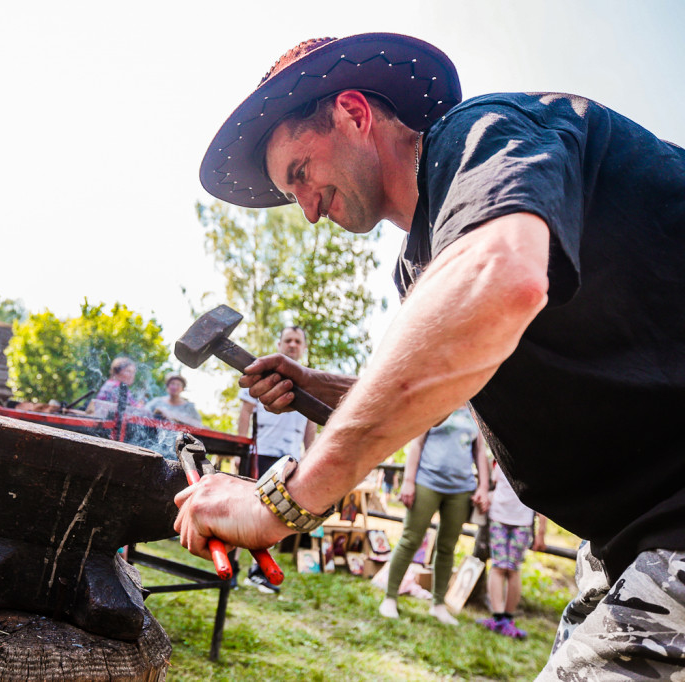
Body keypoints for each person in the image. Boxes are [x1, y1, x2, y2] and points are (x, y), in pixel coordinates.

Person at [174, 32, 685, 679]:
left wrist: (280, 501)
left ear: (354, 115)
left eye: (300, 173)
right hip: (628, 537)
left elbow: (501, 280)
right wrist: (323, 386)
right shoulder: (421, 265)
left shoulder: (482, 137)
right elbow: (464, 377)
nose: (304, 210)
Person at [378, 407, 490, 625]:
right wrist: (409, 482)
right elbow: (417, 443)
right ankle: (390, 598)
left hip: (461, 489)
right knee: (411, 539)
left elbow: (479, 452)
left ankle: (438, 604)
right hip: (426, 483)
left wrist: (483, 487)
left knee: (447, 546)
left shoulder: (475, 410)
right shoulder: (439, 399)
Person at [237, 326, 317, 593]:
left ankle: (258, 572)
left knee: (274, 515)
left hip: (289, 458)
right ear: (280, 344)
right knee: (243, 509)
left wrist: (311, 456)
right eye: (288, 340)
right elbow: (246, 412)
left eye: (298, 341)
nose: (293, 345)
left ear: (304, 347)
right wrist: (240, 447)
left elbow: (310, 426)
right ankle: (231, 568)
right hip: (259, 450)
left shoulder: (310, 381)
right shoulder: (262, 374)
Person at [478, 463, 547, 639]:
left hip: (522, 522)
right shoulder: (498, 458)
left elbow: (541, 500)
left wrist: (541, 533)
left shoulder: (535, 464)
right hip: (498, 518)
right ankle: (498, 617)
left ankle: (508, 618)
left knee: (513, 569)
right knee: (498, 566)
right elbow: (497, 487)